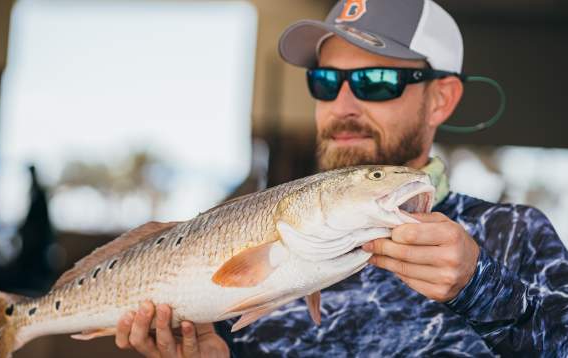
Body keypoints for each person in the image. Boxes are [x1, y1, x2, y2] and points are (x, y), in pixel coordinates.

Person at [114, 0, 568, 356]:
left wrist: (481, 287)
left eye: (375, 79)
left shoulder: (515, 233)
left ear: (440, 100)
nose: (343, 105)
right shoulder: (252, 225)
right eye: (326, 81)